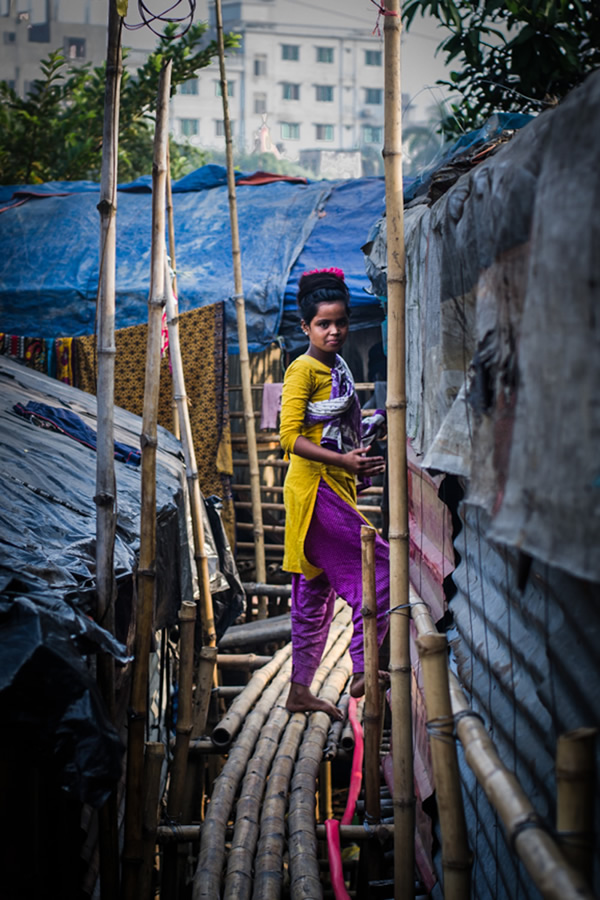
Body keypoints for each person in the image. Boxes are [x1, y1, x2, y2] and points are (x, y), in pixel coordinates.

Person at [279, 267, 390, 721]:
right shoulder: (302, 370)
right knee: (379, 571)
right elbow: (290, 437)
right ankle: (364, 667)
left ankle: (299, 689)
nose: (334, 331)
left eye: (341, 322)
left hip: (330, 488)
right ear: (306, 327)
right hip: (317, 491)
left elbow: (332, 431)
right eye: (324, 323)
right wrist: (344, 461)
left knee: (313, 592)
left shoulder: (337, 367)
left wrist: (371, 427)